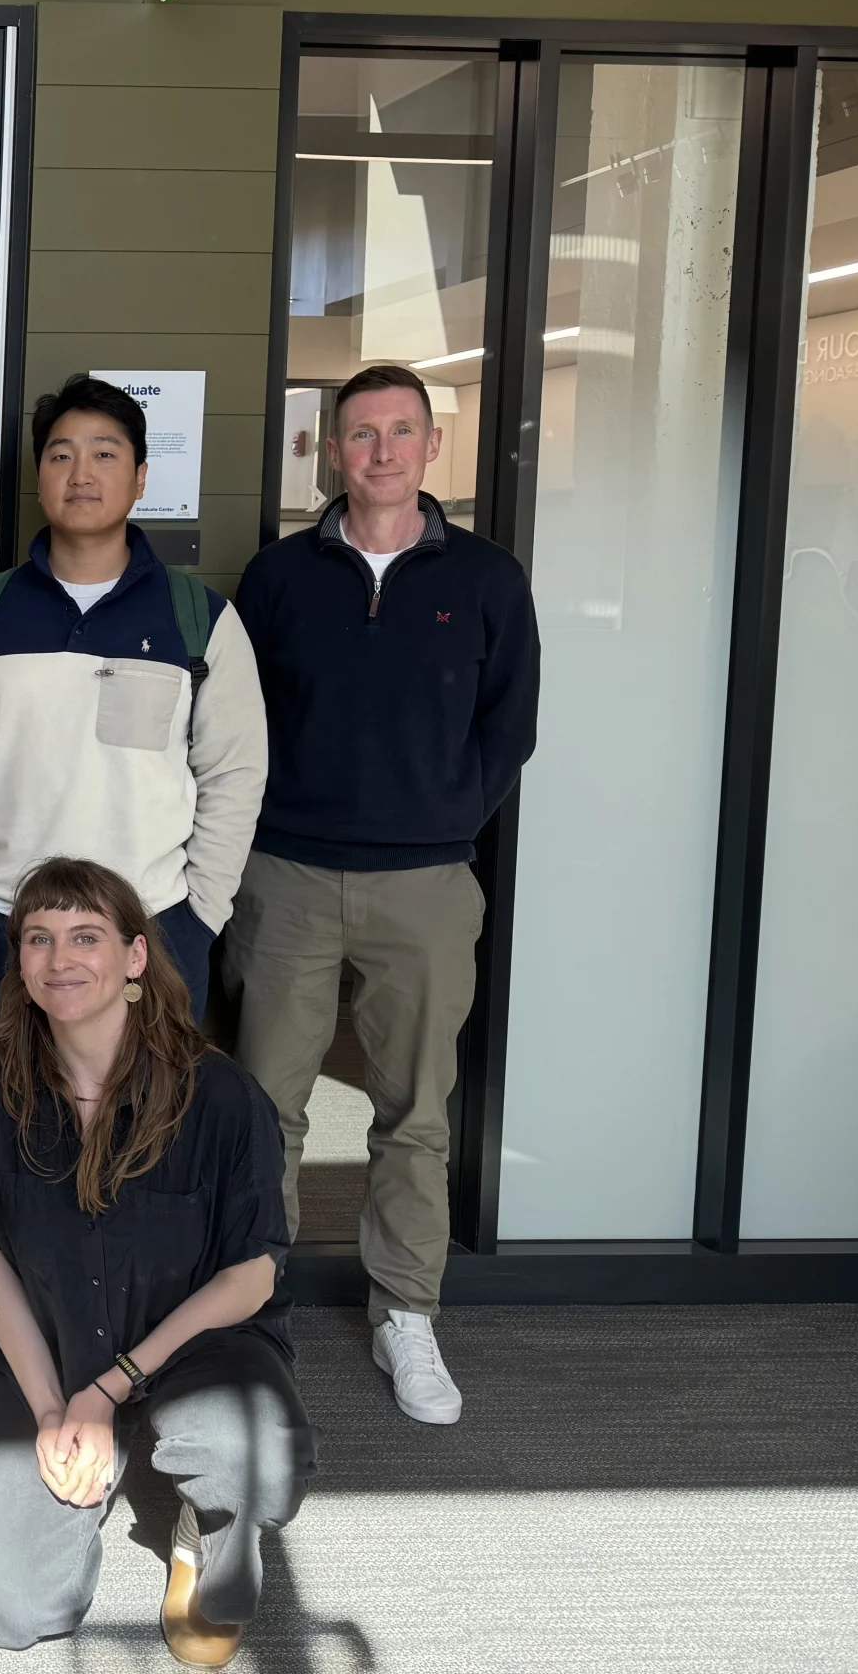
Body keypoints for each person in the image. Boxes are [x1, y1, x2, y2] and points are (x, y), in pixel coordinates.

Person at [223, 362, 540, 1426]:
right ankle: (250, 1307)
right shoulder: (274, 579)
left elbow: (509, 727)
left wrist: (442, 815)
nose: (382, 451)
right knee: (266, 1104)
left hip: (426, 882)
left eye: (401, 431)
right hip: (289, 875)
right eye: (361, 434)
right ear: (328, 451)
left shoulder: (489, 580)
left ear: (430, 446)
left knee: (414, 1113)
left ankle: (405, 1309)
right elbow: (238, 726)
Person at [0, 857, 310, 1666]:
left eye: (84, 935)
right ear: (20, 962)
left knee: (255, 1456)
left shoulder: (222, 1095)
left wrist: (108, 1392)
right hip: (57, 1343)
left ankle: (201, 1524)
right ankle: (91, 1474)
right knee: (6, 1609)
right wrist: (48, 1412)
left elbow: (253, 1274)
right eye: (38, 938)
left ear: (135, 956)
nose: (59, 958)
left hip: (199, 1348)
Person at [0, 375, 265, 1070]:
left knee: (141, 1132)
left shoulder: (198, 618)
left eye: (105, 455)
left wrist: (199, 913)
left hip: (151, 929)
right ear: (40, 477)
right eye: (60, 455)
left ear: (140, 478)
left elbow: (234, 772)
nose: (81, 474)